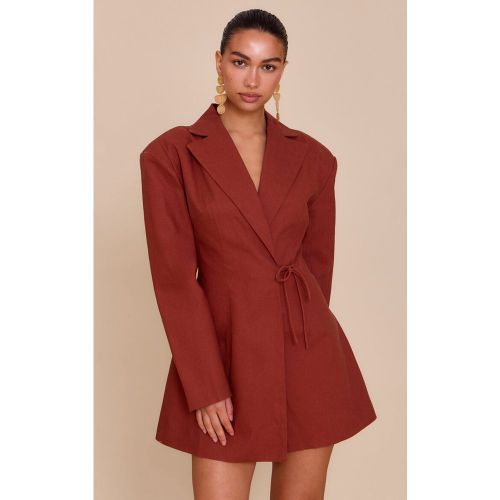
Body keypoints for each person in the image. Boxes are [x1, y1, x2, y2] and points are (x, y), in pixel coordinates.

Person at [139, 8, 377, 500]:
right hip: (224, 357)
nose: (253, 80)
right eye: (240, 62)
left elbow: (318, 270)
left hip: (307, 357)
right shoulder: (171, 155)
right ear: (219, 62)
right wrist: (204, 385)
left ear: (283, 70)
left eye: (268, 66)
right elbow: (174, 279)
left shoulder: (314, 158)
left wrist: (297, 335)